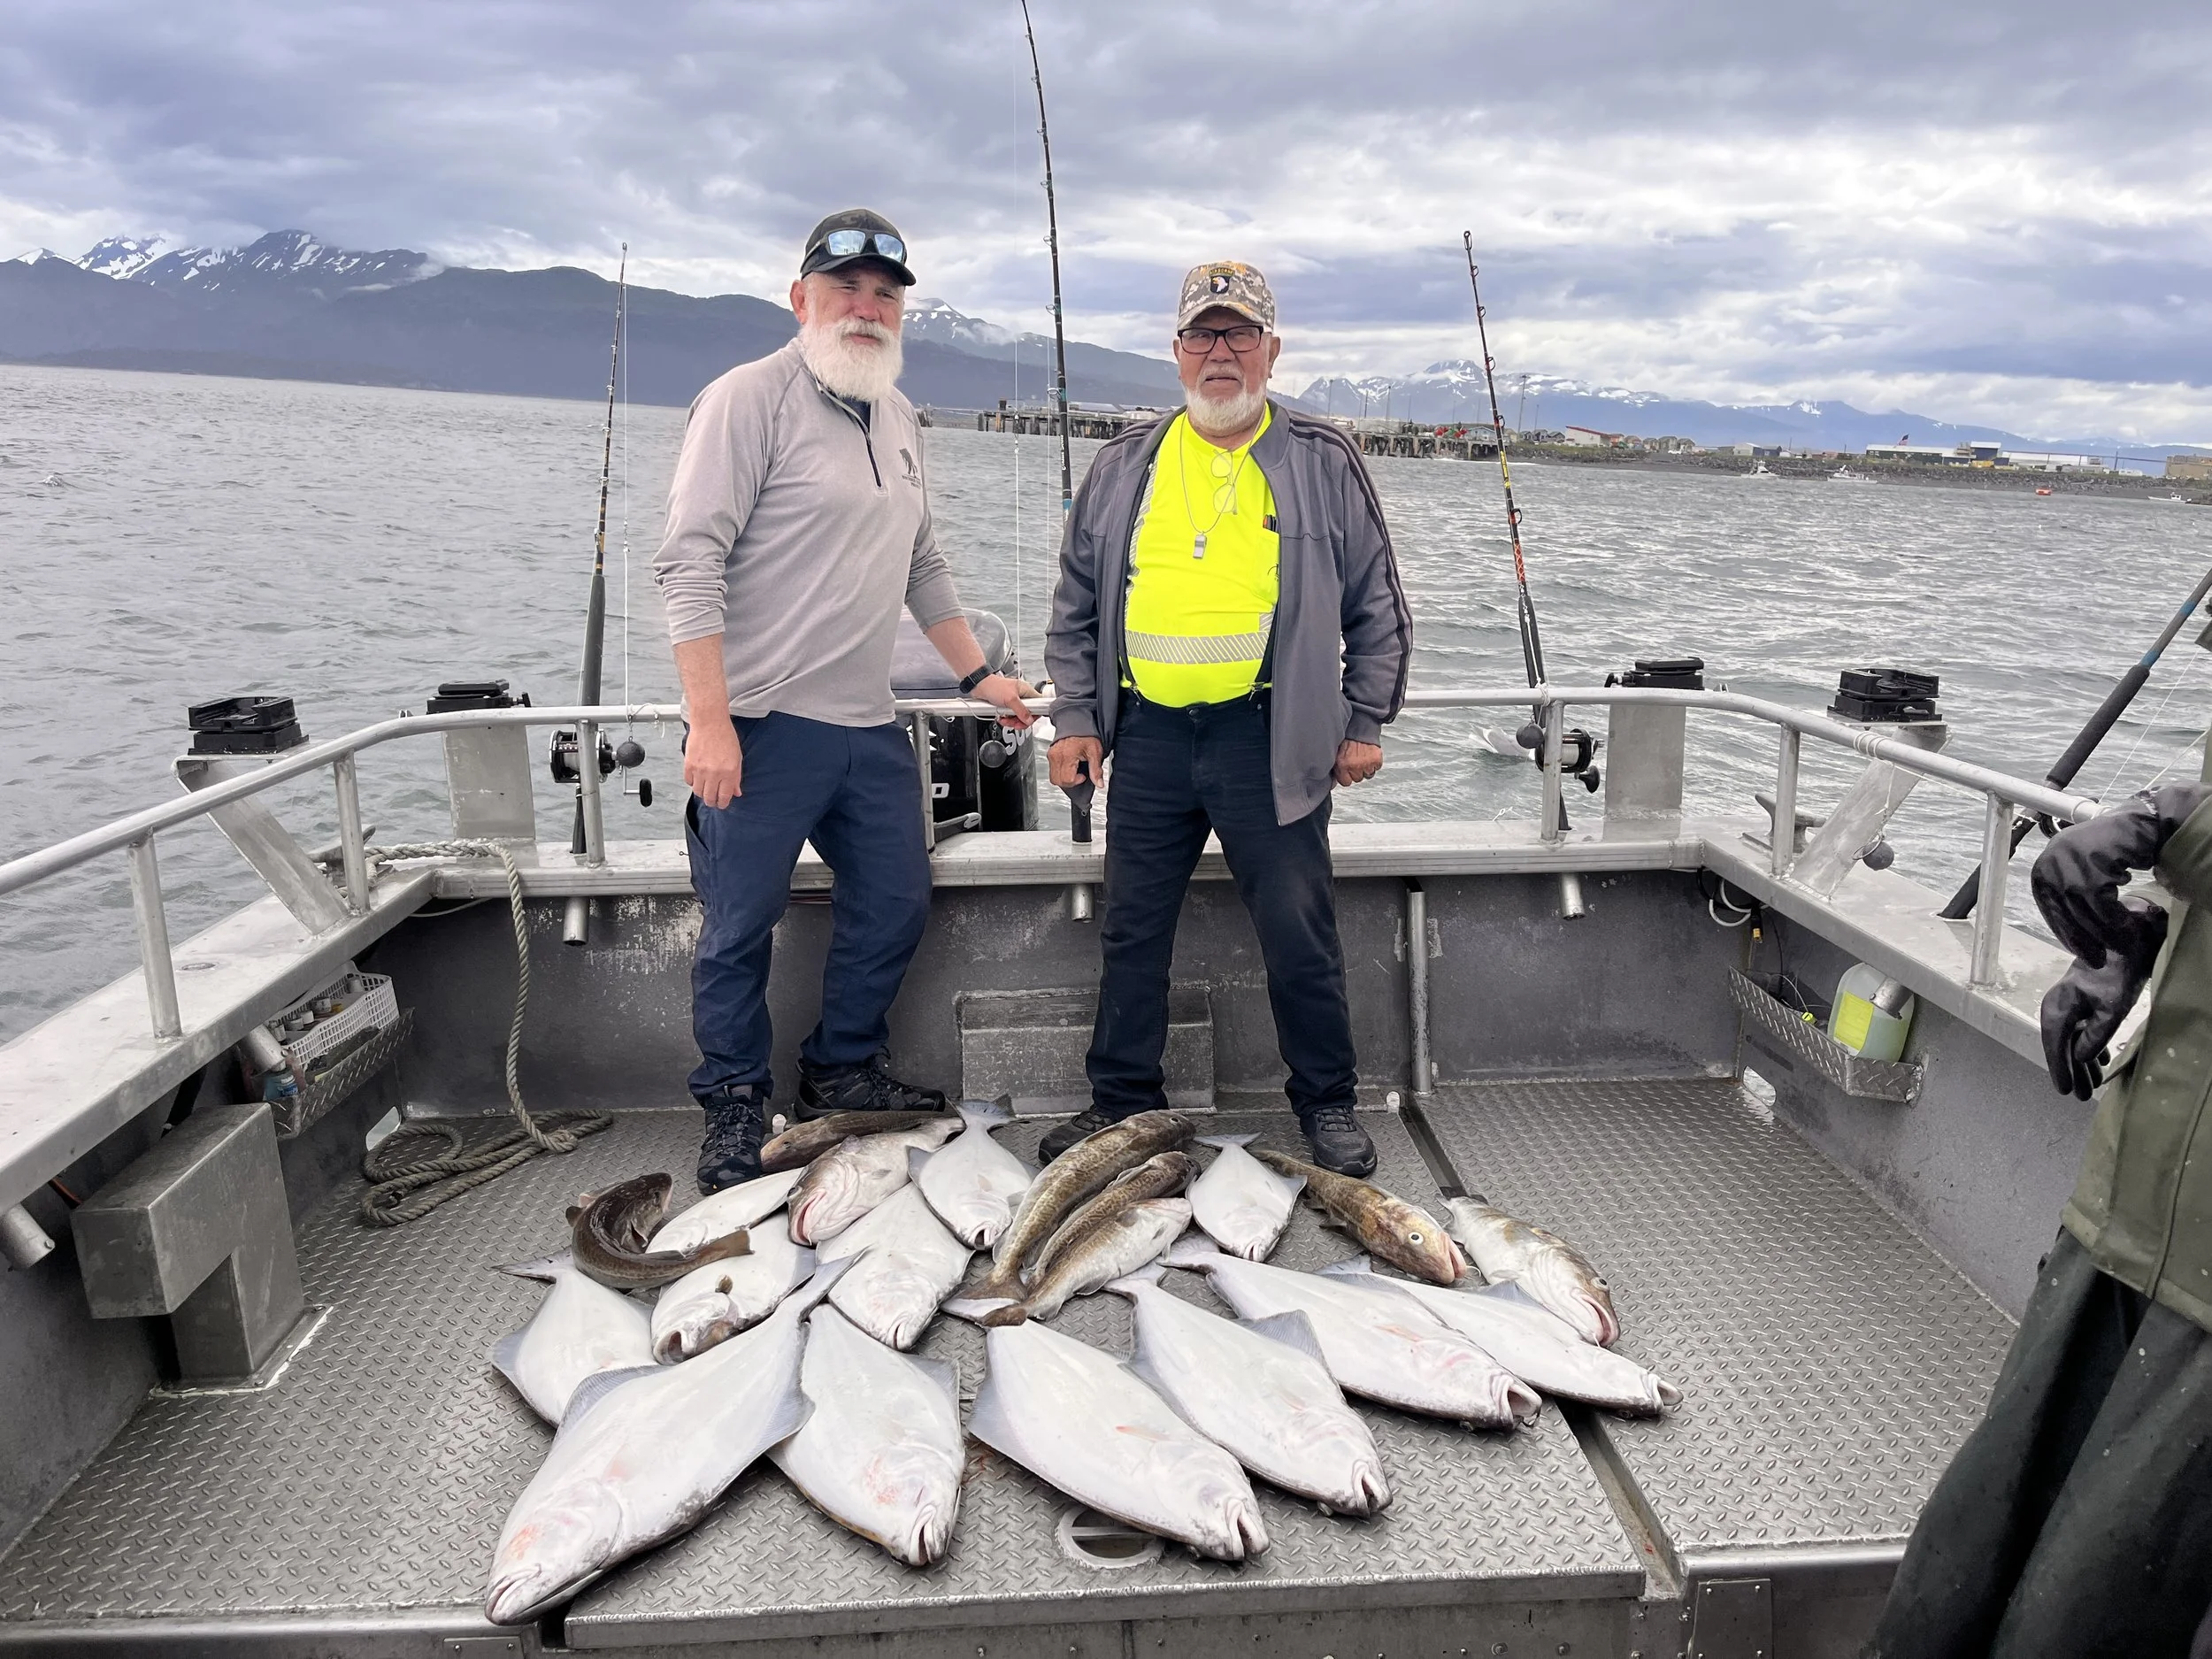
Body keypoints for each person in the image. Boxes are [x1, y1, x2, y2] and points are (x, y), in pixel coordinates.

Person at [653, 208, 1033, 1194]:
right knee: (738, 926)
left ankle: (839, 1068)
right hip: (762, 725)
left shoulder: (900, 417)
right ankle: (735, 1101)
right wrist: (708, 720)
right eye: (845, 289)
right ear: (801, 299)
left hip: (868, 724)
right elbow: (689, 560)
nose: (866, 308)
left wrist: (976, 677)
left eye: (885, 294)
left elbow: (923, 562)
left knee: (898, 902)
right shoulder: (746, 400)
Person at [1041, 260, 1410, 1176]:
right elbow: (1076, 601)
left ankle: (1324, 1102)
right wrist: (1078, 717)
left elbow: (1378, 603)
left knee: (1297, 927)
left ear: (1271, 351)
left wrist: (1365, 720)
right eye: (1202, 336)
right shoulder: (1125, 461)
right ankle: (1121, 1101)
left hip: (1270, 737)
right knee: (1131, 929)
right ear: (1174, 354)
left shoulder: (1324, 459)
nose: (1220, 352)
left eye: (1238, 334)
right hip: (1152, 737)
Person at [1868, 781, 2212, 1658]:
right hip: (2118, 1214)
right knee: (1948, 1589)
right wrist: (2132, 939)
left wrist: (2172, 823)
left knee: (2082, 1618)